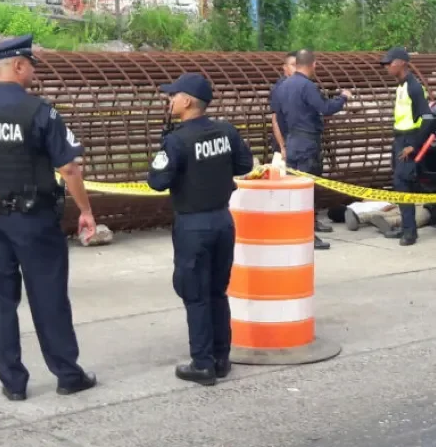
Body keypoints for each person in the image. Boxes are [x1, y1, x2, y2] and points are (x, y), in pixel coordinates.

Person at [0, 34, 98, 401]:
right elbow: (70, 169)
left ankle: (13, 383)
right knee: (49, 297)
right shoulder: (40, 111)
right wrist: (86, 211)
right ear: (18, 66)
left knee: (1, 299)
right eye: (31, 66)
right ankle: (67, 374)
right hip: (34, 220)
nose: (34, 72)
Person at [147, 73, 254, 386]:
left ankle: (202, 363)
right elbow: (244, 166)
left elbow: (157, 181)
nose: (169, 101)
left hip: (193, 225)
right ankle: (221, 358)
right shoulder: (226, 131)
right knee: (217, 292)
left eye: (173, 96)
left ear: (188, 101)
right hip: (223, 221)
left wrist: (162, 155)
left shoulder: (177, 140)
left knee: (195, 295)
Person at [278, 49, 353, 250]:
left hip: (292, 141)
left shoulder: (283, 86)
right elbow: (325, 108)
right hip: (307, 143)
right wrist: (343, 98)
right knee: (307, 190)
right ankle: (308, 235)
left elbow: (279, 116)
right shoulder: (306, 86)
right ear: (313, 65)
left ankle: (293, 232)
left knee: (293, 190)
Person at [380, 46, 433, 246]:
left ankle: (409, 233)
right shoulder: (401, 86)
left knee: (404, 183)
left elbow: (428, 119)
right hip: (400, 140)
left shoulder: (413, 87)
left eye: (390, 63)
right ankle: (406, 227)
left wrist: (414, 145)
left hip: (408, 142)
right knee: (400, 183)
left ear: (401, 63)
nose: (387, 67)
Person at [269, 51, 297, 158]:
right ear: (285, 67)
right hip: (285, 143)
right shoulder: (279, 89)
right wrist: (282, 146)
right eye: (293, 65)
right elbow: (275, 120)